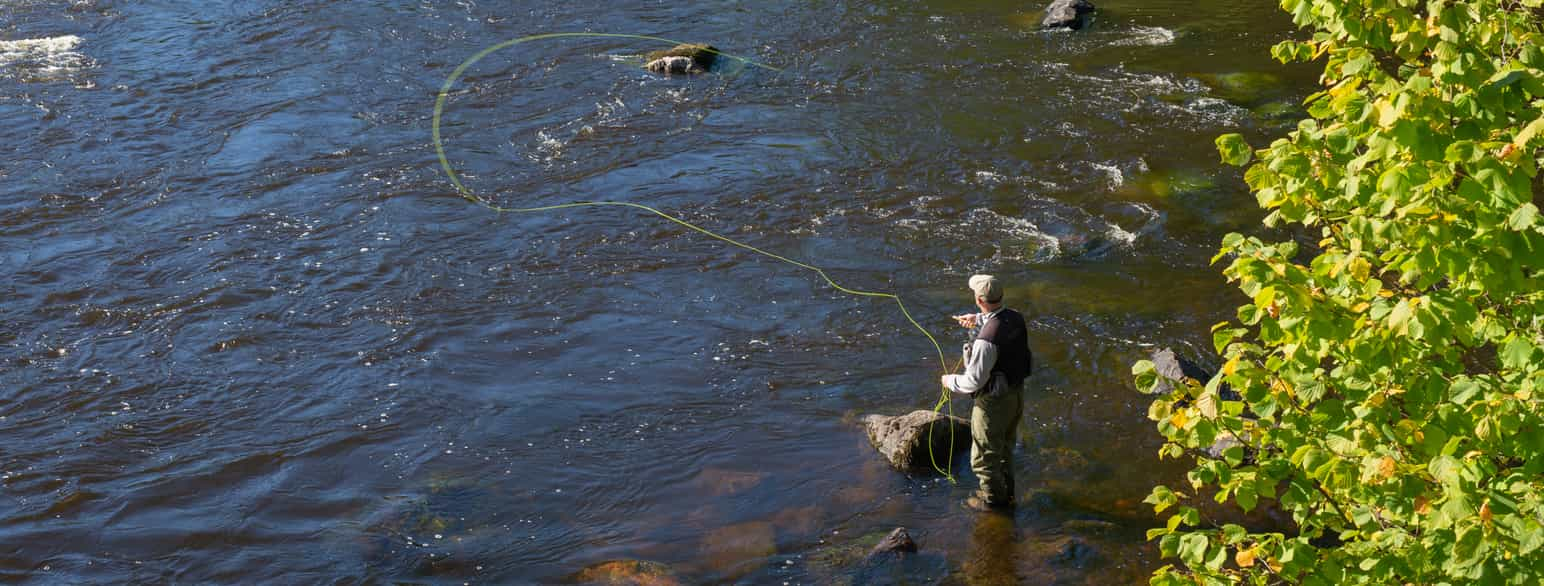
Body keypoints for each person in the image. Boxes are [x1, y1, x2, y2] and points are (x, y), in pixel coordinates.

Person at [940, 274, 1031, 511]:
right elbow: (998, 323)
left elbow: (973, 381)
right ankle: (1007, 493)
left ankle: (994, 503)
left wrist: (949, 381)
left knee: (982, 459)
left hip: (993, 403)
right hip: (1016, 395)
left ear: (979, 299)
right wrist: (978, 319)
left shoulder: (985, 342)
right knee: (1004, 448)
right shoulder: (1015, 317)